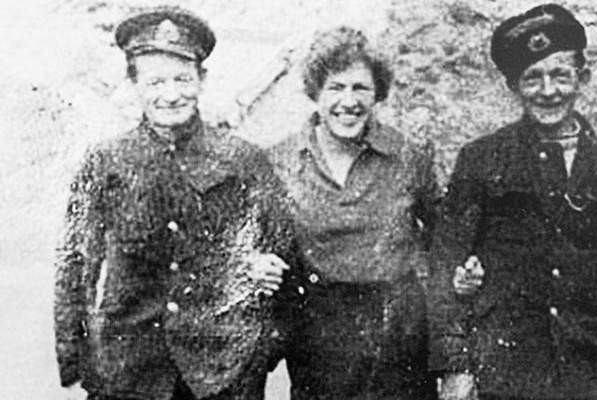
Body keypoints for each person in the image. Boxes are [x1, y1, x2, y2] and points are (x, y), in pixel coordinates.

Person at [54, 6, 308, 400]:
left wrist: (261, 352)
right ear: (134, 84)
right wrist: (75, 356)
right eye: (155, 82)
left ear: (202, 79)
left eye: (182, 79)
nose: (170, 95)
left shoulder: (243, 160)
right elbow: (75, 264)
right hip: (129, 372)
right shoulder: (106, 162)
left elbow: (286, 261)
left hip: (220, 375)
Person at [427, 4, 597, 400]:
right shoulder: (481, 159)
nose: (548, 90)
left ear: (582, 78)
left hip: (593, 369)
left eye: (560, 75)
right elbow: (446, 264)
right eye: (532, 78)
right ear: (513, 86)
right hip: (507, 371)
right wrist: (455, 364)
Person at [266, 26, 439, 400]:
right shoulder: (280, 162)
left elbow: (442, 246)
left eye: (360, 88)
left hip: (400, 349)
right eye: (335, 87)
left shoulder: (408, 158)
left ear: (377, 93)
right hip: (320, 353)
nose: (349, 101)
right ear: (315, 92)